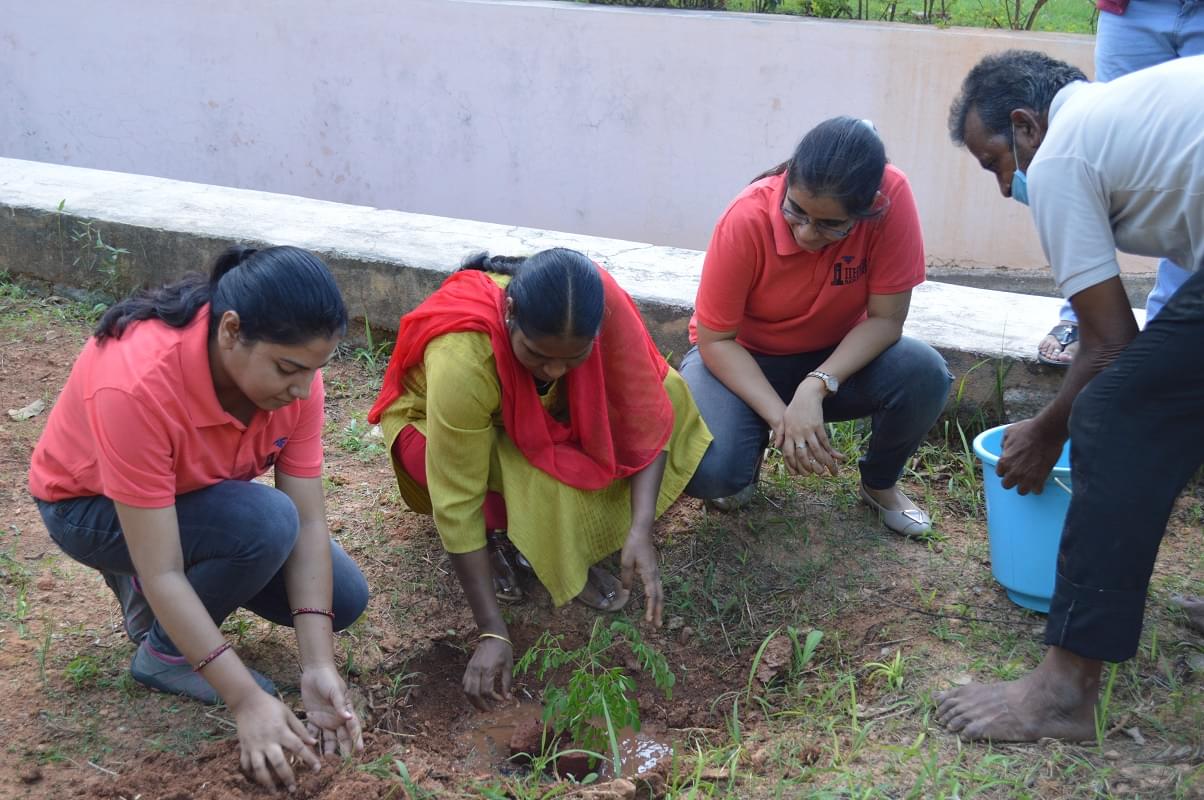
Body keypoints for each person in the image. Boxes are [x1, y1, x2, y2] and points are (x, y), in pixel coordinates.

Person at [28, 246, 370, 790]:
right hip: (89, 508)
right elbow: (165, 567)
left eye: (314, 370)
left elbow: (310, 523)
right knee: (265, 523)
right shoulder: (136, 383)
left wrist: (317, 665)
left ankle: (166, 587)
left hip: (192, 496)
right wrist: (246, 700)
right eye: (288, 369)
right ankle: (164, 652)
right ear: (231, 330)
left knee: (343, 599)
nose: (303, 390)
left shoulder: (297, 378)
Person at [938, 50, 1204, 741]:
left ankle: (1061, 691)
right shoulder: (1129, 116)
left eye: (995, 162)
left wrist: (1052, 427)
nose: (1004, 187)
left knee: (1117, 415)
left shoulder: (1059, 157)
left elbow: (1109, 343)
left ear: (1026, 125)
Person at [367, 248, 711, 709]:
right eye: (537, 354)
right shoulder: (464, 358)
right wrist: (491, 629)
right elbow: (457, 494)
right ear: (510, 314)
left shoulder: (603, 306)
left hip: (538, 418)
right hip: (437, 431)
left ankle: (552, 541)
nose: (552, 370)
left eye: (573, 358)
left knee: (670, 390)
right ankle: (499, 540)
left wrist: (640, 527)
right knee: (531, 480)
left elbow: (643, 411)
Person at [679, 116, 952, 536]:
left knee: (924, 373)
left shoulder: (892, 197)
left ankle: (879, 486)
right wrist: (782, 419)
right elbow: (716, 341)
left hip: (835, 356)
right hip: (741, 358)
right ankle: (744, 463)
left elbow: (886, 321)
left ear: (867, 210)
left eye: (830, 225)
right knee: (712, 473)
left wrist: (816, 385)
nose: (807, 233)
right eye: (797, 211)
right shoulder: (746, 218)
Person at [1035, 0, 1201, 366]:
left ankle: (1170, 323)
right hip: (1134, 8)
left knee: (1193, 166)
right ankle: (1083, 317)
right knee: (1096, 146)